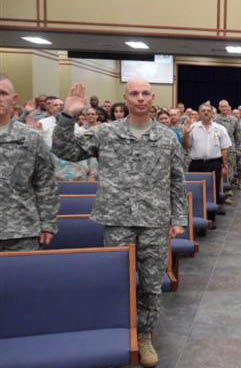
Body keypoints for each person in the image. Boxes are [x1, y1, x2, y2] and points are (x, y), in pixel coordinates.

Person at [52, 79, 187, 367]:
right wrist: (67, 115)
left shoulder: (166, 138)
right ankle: (121, 331)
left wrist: (178, 218)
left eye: (145, 93)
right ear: (125, 99)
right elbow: (65, 151)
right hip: (118, 220)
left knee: (151, 283)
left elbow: (177, 180)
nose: (140, 98)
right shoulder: (107, 133)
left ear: (154, 98)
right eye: (134, 93)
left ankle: (146, 334)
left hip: (154, 220)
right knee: (118, 280)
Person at [0, 73, 59, 251]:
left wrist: (48, 222)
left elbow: (45, 183)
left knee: (21, 279)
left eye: (3, 93)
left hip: (21, 230)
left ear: (14, 99)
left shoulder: (31, 138)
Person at [184, 103, 231, 205]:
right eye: (203, 111)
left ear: (212, 114)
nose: (206, 113)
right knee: (196, 190)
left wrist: (224, 165)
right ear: (199, 114)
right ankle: (198, 213)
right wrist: (186, 134)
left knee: (213, 189)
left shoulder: (220, 128)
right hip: (196, 164)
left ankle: (211, 216)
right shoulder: (192, 127)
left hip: (214, 163)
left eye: (208, 111)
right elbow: (187, 146)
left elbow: (225, 148)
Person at [216, 100, 239, 192]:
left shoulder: (234, 120)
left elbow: (237, 136)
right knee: (219, 169)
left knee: (230, 170)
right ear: (219, 108)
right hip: (218, 149)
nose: (224, 108)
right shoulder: (215, 119)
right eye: (222, 107)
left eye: (225, 107)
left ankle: (228, 190)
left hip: (230, 149)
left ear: (228, 107)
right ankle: (219, 190)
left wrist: (238, 148)